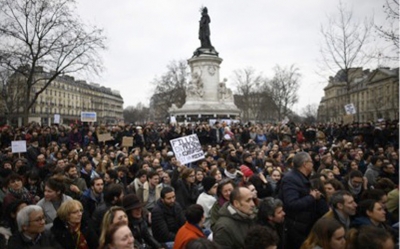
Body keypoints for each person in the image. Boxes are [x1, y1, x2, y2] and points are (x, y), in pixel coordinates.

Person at [278, 151, 329, 249]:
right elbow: (291, 203)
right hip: (296, 228)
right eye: (311, 161)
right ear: (305, 164)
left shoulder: (301, 177)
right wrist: (312, 197)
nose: (313, 164)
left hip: (303, 226)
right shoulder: (291, 179)